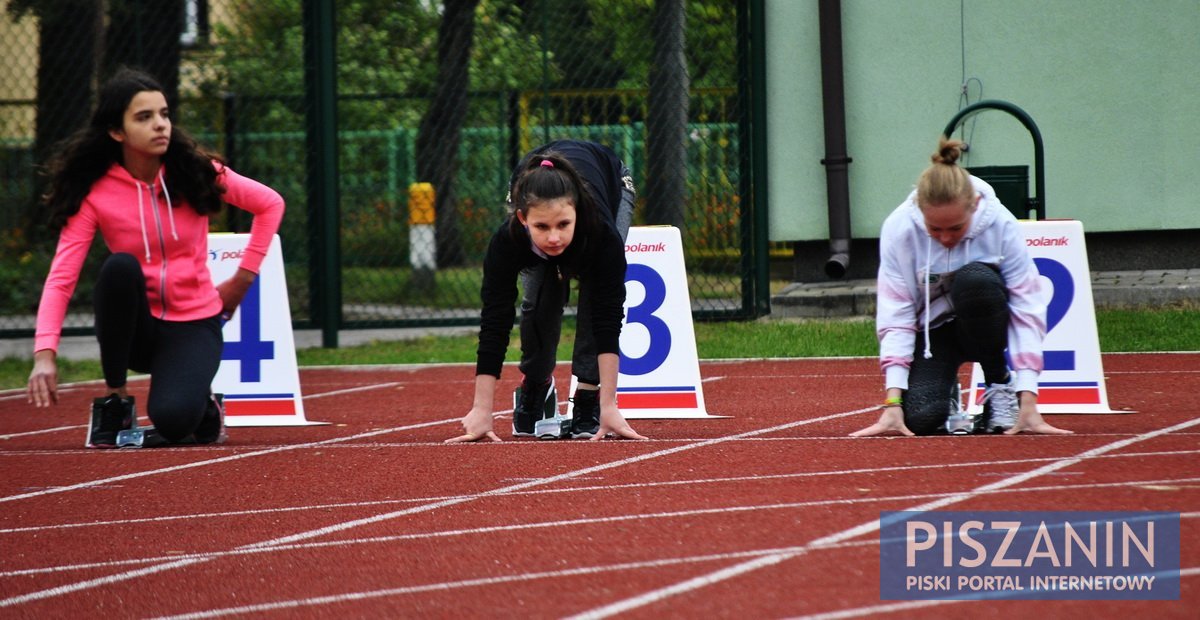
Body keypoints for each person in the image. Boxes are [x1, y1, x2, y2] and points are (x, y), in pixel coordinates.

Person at [26, 67, 285, 447]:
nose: (160, 125)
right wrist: (44, 353)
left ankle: (204, 408)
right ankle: (116, 400)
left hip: (194, 324)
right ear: (117, 132)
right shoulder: (95, 192)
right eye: (144, 117)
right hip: (137, 329)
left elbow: (270, 204)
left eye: (164, 114)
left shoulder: (196, 171)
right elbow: (62, 275)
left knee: (175, 423)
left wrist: (242, 280)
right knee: (118, 268)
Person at [851, 137, 1070, 437]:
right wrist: (893, 401)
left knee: (975, 280)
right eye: (934, 229)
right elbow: (896, 314)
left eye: (955, 228)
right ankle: (946, 394)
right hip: (934, 335)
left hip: (987, 322)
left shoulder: (1001, 225)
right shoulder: (899, 230)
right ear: (919, 209)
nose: (945, 238)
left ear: (975, 206)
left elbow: (1027, 306)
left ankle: (998, 385)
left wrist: (1028, 396)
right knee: (923, 420)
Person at [447, 139, 646, 443]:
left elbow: (608, 316)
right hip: (538, 205)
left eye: (563, 224)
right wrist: (481, 409)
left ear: (576, 212)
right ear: (523, 219)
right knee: (539, 299)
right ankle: (535, 385)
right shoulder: (507, 240)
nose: (554, 238)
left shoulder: (600, 233)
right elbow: (495, 320)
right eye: (542, 227)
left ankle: (588, 398)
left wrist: (609, 404)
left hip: (612, 180)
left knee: (595, 300)